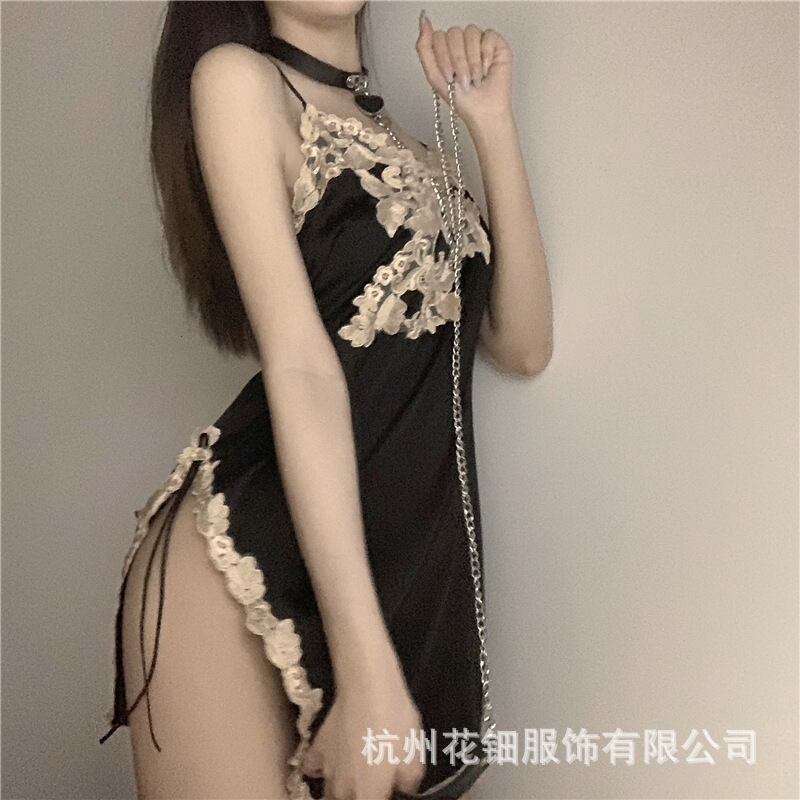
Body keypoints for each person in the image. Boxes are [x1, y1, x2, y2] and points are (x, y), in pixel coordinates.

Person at [98, 2, 552, 799]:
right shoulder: (240, 81)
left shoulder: (408, 140)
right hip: (247, 562)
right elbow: (301, 366)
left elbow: (523, 344)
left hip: (399, 569)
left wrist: (490, 122)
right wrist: (366, 663)